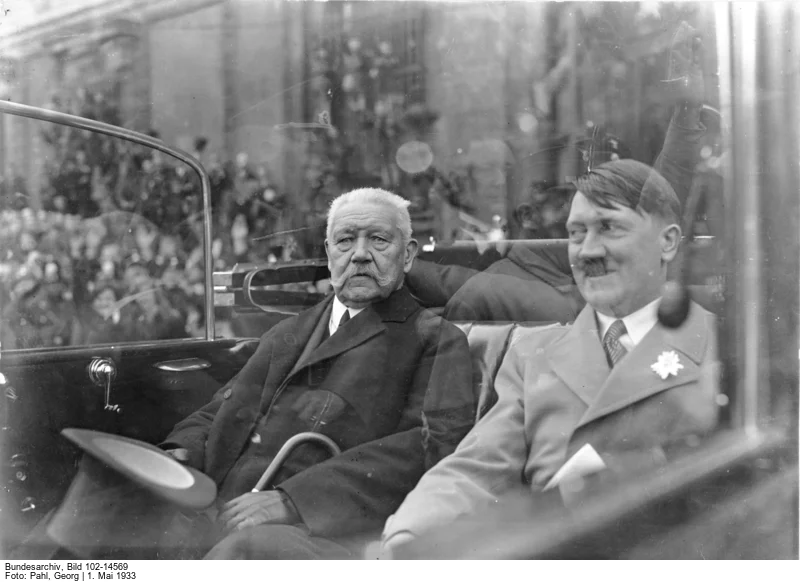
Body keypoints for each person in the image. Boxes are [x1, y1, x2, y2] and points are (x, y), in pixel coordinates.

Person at [44, 188, 474, 560]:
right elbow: (221, 409)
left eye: (378, 239)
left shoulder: (433, 339)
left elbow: (429, 447)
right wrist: (179, 455)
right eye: (346, 240)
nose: (360, 253)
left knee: (245, 554)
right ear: (329, 255)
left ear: (409, 254)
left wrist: (294, 501)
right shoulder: (290, 331)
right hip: (221, 503)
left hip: (319, 527)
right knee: (98, 497)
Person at [380, 159, 720, 555]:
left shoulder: (722, 346)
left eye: (609, 227)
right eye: (576, 234)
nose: (588, 251)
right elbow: (476, 469)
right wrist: (406, 535)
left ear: (668, 242)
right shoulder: (535, 352)